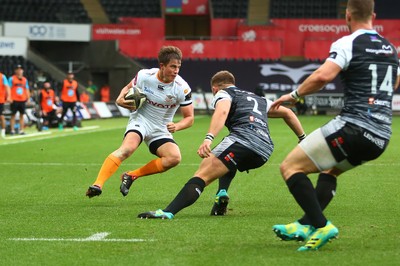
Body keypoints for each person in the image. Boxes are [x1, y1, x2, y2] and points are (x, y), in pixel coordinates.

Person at [270, 0, 400, 252]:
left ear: (347, 15)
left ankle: (321, 225)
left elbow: (322, 76)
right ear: (373, 15)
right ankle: (304, 225)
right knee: (330, 172)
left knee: (290, 167)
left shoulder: (347, 43)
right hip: (381, 136)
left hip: (354, 127)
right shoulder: (390, 48)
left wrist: (295, 95)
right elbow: (394, 83)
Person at [137, 70, 306, 220]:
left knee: (202, 174)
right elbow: (288, 112)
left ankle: (168, 212)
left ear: (215, 88)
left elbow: (222, 111)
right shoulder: (258, 99)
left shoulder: (223, 93)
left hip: (243, 141)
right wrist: (302, 138)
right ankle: (221, 193)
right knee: (226, 156)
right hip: (264, 150)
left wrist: (209, 138)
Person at [86, 46, 194, 198]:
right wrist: (120, 98)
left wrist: (177, 125)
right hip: (141, 120)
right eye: (173, 67)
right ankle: (98, 184)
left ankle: (131, 176)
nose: (176, 71)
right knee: (127, 149)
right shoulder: (145, 76)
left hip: (161, 128)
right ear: (162, 66)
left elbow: (189, 118)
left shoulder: (182, 88)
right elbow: (128, 87)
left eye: (178, 67)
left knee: (174, 158)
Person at [9, 65, 30, 135]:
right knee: (13, 115)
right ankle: (12, 130)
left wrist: (28, 98)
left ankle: (21, 130)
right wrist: (9, 97)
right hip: (14, 99)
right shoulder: (11, 79)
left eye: (20, 69)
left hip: (22, 99)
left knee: (22, 115)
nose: (19, 71)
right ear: (15, 71)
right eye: (18, 69)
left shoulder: (25, 80)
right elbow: (8, 88)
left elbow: (27, 89)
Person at [0, 71, 11, 138]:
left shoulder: (2, 76)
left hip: (0, 99)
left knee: (1, 116)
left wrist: (9, 96)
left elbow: (7, 86)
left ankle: (3, 131)